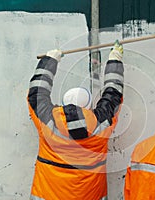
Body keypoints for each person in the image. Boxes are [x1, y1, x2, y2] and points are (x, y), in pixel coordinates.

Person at [27, 40, 124, 200]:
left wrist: (50, 60)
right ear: (88, 106)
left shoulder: (47, 121)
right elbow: (113, 93)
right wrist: (115, 59)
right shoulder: (101, 125)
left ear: (65, 103)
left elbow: (37, 91)